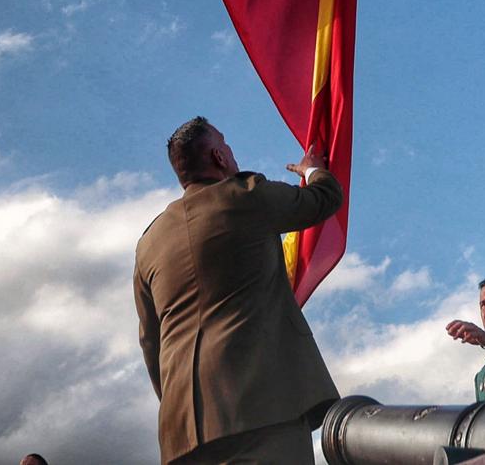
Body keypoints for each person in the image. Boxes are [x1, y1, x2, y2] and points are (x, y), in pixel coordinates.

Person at [134, 116, 342, 464]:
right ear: (218, 157)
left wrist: (181, 404)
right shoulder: (244, 196)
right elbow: (324, 199)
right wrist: (312, 170)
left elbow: (150, 340)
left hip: (182, 432)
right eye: (226, 143)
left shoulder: (148, 243)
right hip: (260, 409)